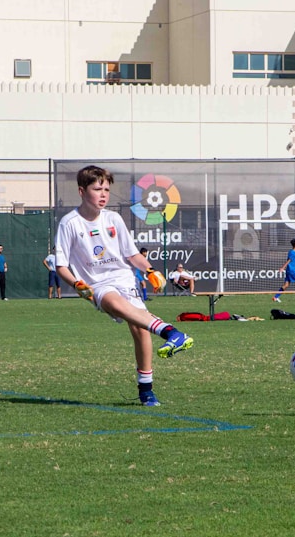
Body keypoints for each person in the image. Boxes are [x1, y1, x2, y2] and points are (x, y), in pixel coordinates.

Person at [54, 165, 193, 407]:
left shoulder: (113, 218)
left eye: (106, 189)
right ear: (81, 191)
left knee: (139, 329)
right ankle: (170, 332)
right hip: (96, 283)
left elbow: (131, 255)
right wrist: (78, 284)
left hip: (123, 278)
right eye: (97, 189)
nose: (103, 194)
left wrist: (149, 270)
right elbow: (60, 265)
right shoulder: (69, 223)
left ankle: (146, 390)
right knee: (111, 302)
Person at [273, 238, 295, 303]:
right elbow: (289, 261)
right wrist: (282, 268)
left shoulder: (291, 251)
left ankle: (276, 297)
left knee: (286, 285)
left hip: (289, 270)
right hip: (292, 270)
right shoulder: (293, 252)